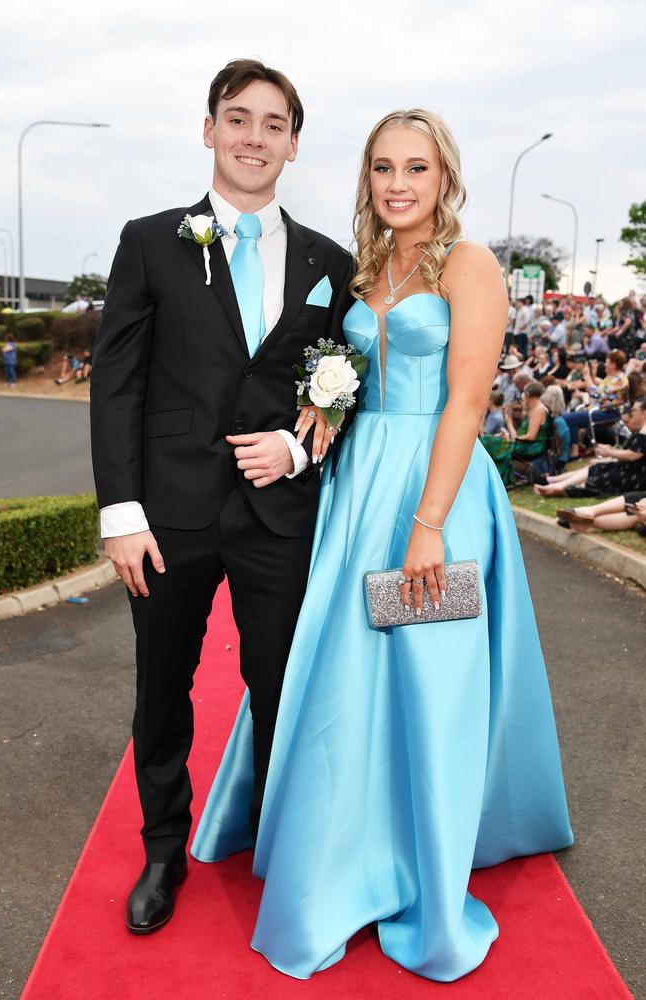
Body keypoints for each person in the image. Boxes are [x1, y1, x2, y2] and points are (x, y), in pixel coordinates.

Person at [193, 107, 573, 982]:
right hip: (356, 486)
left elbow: (466, 405)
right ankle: (341, 842)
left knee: (427, 670)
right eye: (382, 169)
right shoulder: (364, 270)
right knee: (341, 677)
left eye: (417, 169)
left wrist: (428, 525)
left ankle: (419, 855)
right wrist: (313, 422)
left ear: (445, 178)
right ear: (366, 178)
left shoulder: (470, 264)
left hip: (434, 488)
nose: (398, 185)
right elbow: (342, 385)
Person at [89, 58, 355, 935]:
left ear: (292, 143)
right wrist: (120, 513)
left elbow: (338, 385)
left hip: (279, 515)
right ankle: (165, 847)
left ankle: (284, 847)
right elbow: (117, 385)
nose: (254, 137)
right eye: (237, 119)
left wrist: (293, 444)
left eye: (273, 124)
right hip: (166, 518)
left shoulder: (329, 261)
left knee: (281, 681)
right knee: (163, 686)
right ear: (210, 131)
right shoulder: (149, 239)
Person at [534, 397, 646, 497]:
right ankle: (556, 483)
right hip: (627, 469)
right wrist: (610, 454)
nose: (632, 413)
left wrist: (609, 452)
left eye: (634, 410)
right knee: (596, 468)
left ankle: (559, 487)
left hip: (636, 475)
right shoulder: (641, 429)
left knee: (599, 478)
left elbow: (633, 455)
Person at [561, 349, 629, 458]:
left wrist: (587, 377)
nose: (605, 364)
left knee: (569, 418)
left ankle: (574, 452)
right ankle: (574, 450)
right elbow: (596, 395)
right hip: (599, 409)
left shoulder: (620, 379)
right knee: (566, 416)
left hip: (610, 412)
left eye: (607, 361)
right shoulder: (609, 379)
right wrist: (591, 376)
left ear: (613, 364)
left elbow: (598, 395)